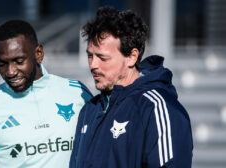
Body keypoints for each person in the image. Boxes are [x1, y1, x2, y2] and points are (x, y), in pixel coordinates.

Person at [70, 7, 193, 168]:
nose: (93, 65)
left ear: (131, 57)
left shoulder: (157, 108)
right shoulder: (89, 110)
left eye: (102, 57)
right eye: (90, 56)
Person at [0, 20, 93, 168]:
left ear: (38, 54)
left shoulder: (77, 93)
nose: (10, 72)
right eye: (2, 63)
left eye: (19, 61)